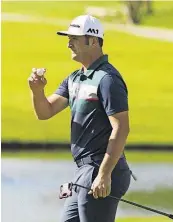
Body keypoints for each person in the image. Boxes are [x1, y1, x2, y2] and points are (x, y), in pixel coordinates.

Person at [28, 14, 131, 222]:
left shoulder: (107, 79)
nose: (69, 44)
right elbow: (45, 112)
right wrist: (37, 91)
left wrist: (104, 174)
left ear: (93, 41)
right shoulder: (75, 79)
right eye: (69, 39)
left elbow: (121, 128)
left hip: (101, 169)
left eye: (74, 38)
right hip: (84, 171)